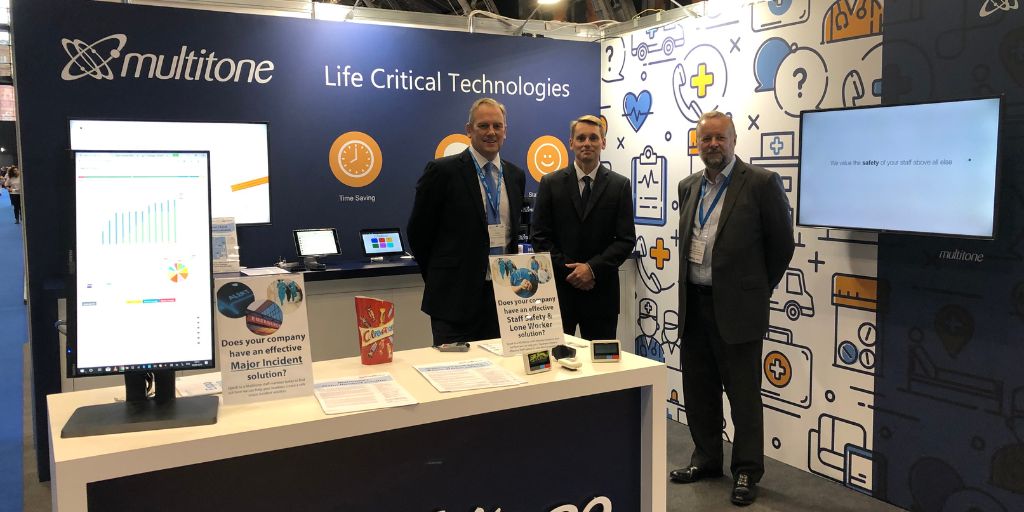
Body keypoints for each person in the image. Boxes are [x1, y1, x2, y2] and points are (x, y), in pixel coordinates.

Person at [670, 111, 794, 506]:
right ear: (697, 144)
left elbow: (782, 245)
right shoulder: (688, 186)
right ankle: (706, 459)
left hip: (739, 310)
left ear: (734, 140)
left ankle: (746, 471)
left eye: (719, 138)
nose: (712, 145)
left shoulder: (760, 183)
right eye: (705, 139)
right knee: (699, 391)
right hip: (694, 305)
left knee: (744, 398)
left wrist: (754, 290)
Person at [408, 98, 526, 345]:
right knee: (454, 367)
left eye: (497, 126)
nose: (491, 132)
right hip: (453, 300)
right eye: (483, 126)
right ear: (469, 129)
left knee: (502, 368)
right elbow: (419, 233)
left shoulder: (515, 175)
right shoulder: (443, 171)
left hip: (503, 298)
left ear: (505, 130)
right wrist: (441, 276)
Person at [531, 115, 635, 340]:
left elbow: (625, 240)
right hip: (560, 293)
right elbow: (539, 237)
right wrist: (573, 273)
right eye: (581, 138)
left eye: (593, 138)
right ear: (571, 143)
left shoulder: (620, 185)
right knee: (557, 358)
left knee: (601, 361)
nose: (587, 143)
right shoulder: (550, 183)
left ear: (603, 143)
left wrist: (591, 269)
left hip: (602, 293)